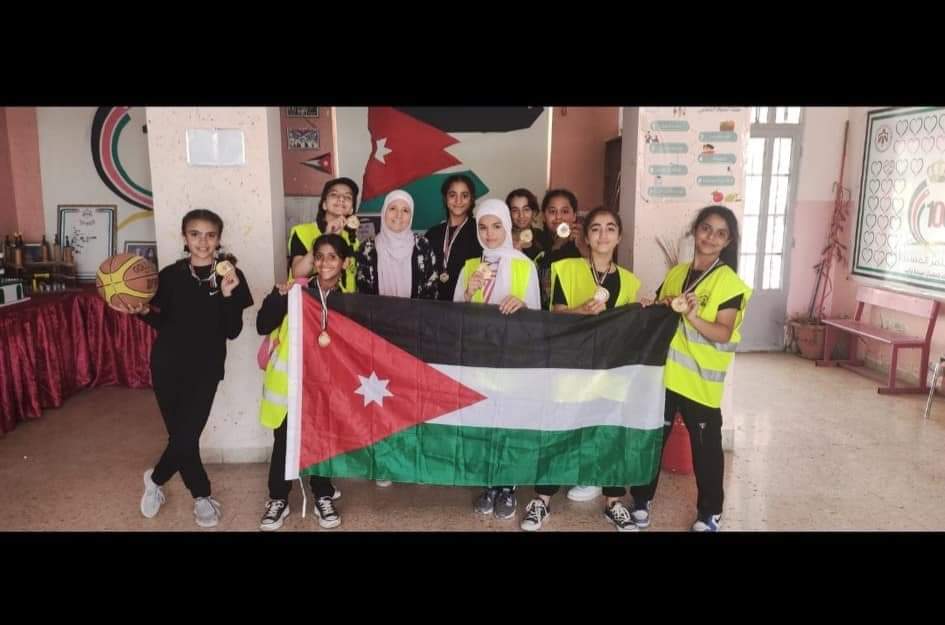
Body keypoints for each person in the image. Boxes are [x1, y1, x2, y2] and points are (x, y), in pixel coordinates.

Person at [121, 209, 253, 528]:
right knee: (183, 437)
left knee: (186, 434)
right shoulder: (169, 275)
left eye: (210, 235)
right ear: (184, 237)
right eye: (195, 234)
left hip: (207, 367)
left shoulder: (231, 275)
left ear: (219, 239)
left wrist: (227, 295)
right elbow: (164, 323)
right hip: (167, 364)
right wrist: (142, 312)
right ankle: (201, 496)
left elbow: (233, 331)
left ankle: (156, 479)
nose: (202, 242)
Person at [519, 207, 642, 532]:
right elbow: (555, 314)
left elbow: (629, 328)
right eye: (596, 228)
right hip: (570, 365)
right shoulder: (566, 268)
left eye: (611, 228)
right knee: (560, 428)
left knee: (610, 432)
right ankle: (542, 500)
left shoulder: (630, 281)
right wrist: (581, 312)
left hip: (610, 369)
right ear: (586, 236)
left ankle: (613, 502)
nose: (603, 234)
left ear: (619, 236)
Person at [630, 205, 751, 532]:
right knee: (651, 440)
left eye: (720, 233)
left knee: (706, 451)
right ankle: (641, 499)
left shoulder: (729, 283)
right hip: (665, 376)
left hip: (699, 383)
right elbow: (662, 311)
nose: (711, 237)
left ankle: (710, 512)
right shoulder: (677, 273)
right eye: (706, 228)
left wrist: (694, 316)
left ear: (728, 242)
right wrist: (652, 305)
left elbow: (723, 332)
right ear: (695, 230)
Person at [257, 234, 352, 530]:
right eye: (319, 256)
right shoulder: (297, 290)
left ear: (344, 263)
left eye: (333, 257)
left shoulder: (351, 299)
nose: (325, 263)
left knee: (322, 439)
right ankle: (278, 498)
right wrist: (279, 297)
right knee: (285, 440)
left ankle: (323, 495)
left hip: (327, 384)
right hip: (291, 382)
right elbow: (262, 324)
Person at [453, 198, 540, 520]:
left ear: (507, 227)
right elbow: (453, 315)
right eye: (483, 227)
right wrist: (467, 292)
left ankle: (508, 486)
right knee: (484, 419)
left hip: (513, 356)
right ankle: (489, 483)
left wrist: (523, 305)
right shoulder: (469, 267)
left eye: (496, 226)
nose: (489, 234)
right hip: (479, 356)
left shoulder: (525, 265)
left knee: (509, 420)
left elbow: (537, 318)